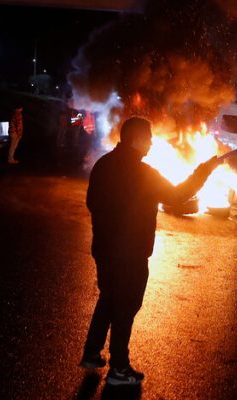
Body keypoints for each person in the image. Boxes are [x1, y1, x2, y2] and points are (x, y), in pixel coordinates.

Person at [80, 116, 221, 386]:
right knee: (126, 307)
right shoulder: (144, 173)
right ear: (136, 139)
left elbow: (91, 202)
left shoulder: (103, 164)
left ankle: (91, 352)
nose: (152, 143)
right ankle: (119, 369)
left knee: (109, 298)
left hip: (104, 250)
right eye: (149, 138)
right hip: (131, 253)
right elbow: (178, 196)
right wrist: (205, 169)